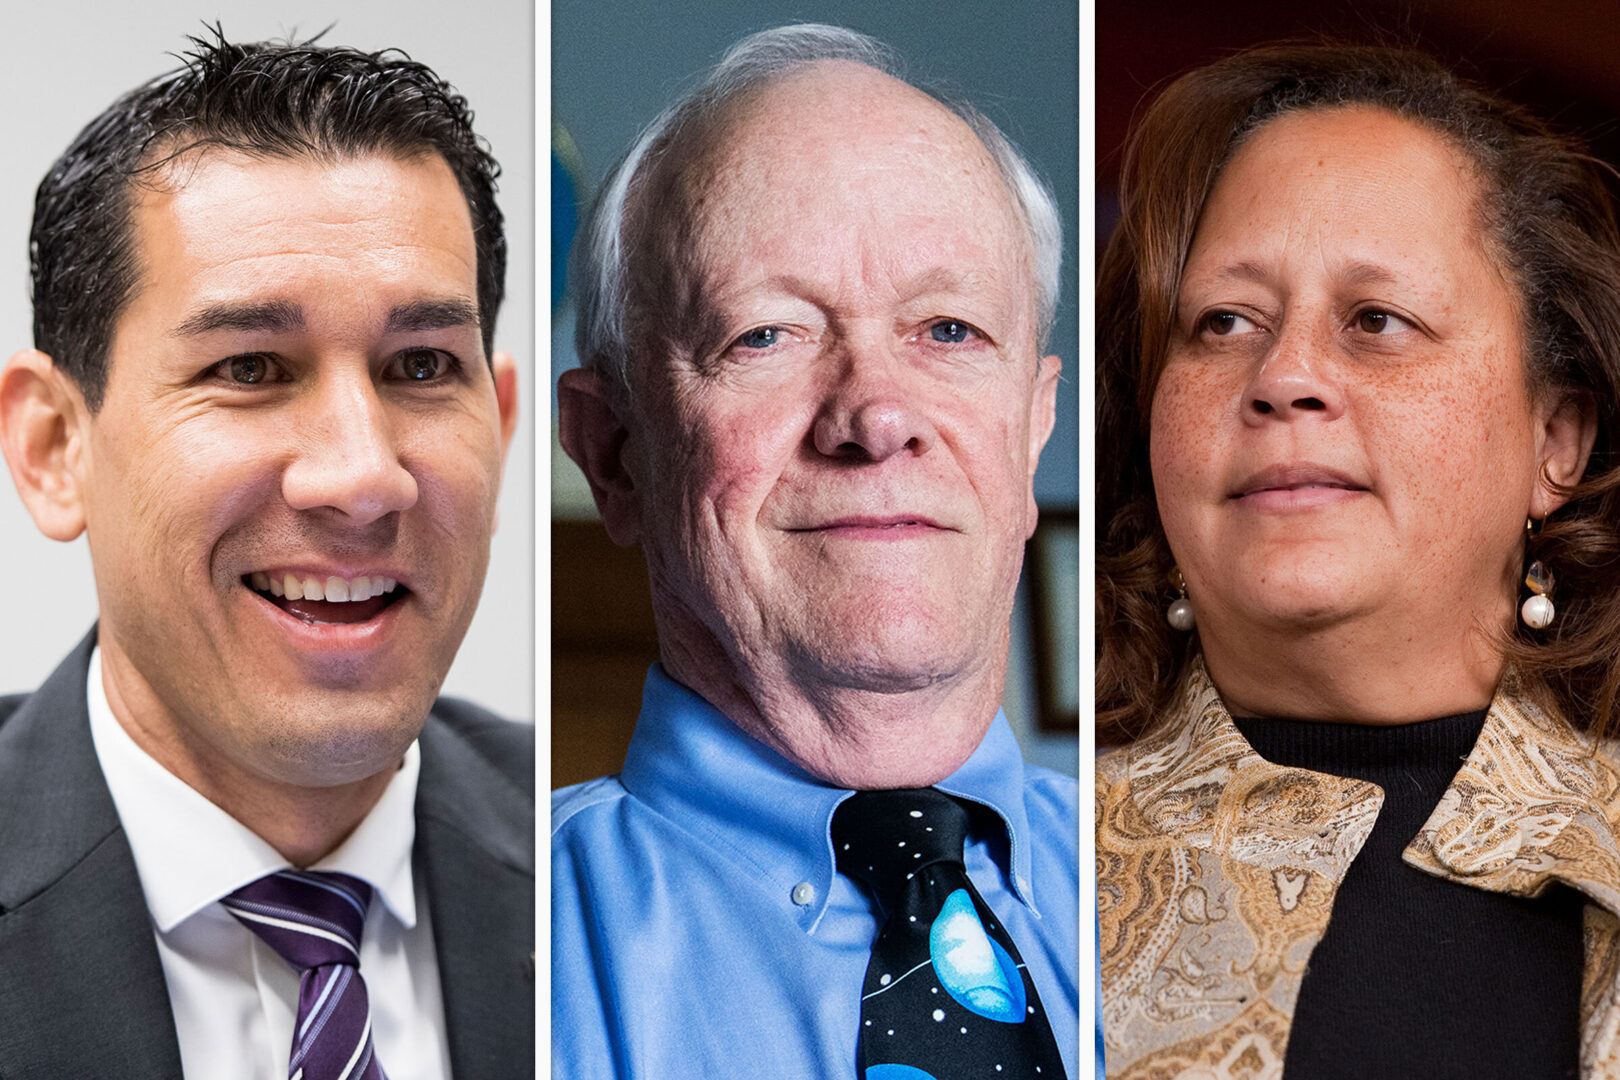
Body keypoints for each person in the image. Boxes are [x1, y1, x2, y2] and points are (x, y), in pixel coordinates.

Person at [0, 34, 532, 1079]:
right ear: (56, 447)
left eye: (420, 366)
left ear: (500, 428)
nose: (361, 474)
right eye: (249, 367)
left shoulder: (575, 876)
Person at [552, 23, 1078, 1080]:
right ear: (615, 457)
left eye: (948, 330)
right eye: (766, 335)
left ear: (1033, 430)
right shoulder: (482, 953)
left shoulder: (1210, 895)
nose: (878, 416)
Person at [1096, 42, 1620, 1080]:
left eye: (1376, 321)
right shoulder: (1026, 870)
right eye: (1223, 321)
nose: (1284, 375)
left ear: (1555, 438)